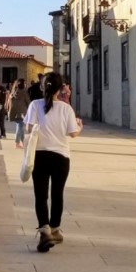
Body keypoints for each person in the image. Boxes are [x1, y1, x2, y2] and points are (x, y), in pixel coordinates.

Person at [23, 70, 82, 252]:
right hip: (61, 157)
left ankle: (44, 231)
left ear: (42, 86)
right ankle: (55, 229)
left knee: (41, 195)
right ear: (60, 88)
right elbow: (73, 133)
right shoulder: (66, 108)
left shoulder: (35, 105)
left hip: (39, 155)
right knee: (58, 194)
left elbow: (28, 128)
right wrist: (79, 126)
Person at [9, 79, 31, 147]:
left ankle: (22, 141)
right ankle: (17, 143)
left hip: (14, 112)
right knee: (20, 127)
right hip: (22, 112)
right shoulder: (24, 92)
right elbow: (28, 102)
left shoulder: (13, 92)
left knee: (19, 126)